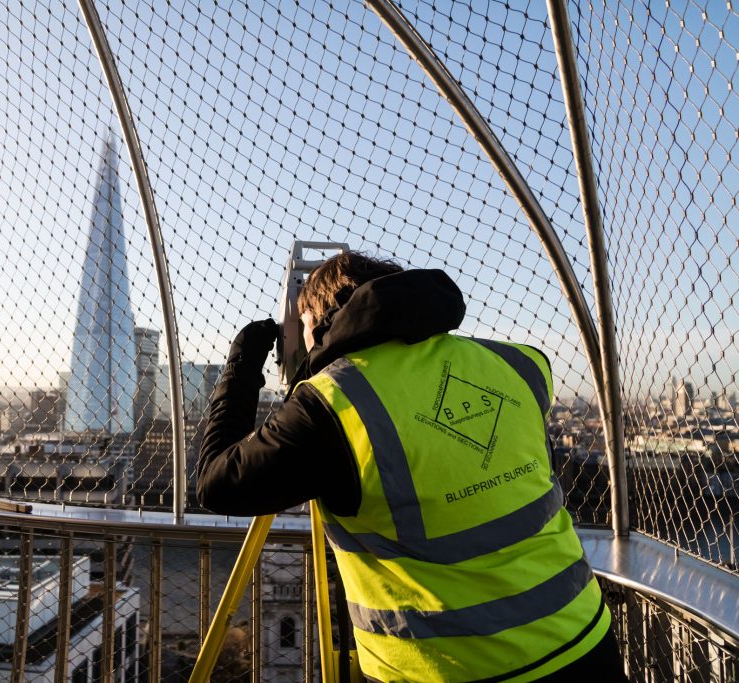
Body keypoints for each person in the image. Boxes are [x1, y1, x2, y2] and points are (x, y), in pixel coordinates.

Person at [197, 252, 626, 682]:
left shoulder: (329, 405)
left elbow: (217, 482)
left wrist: (241, 365)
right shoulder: (518, 362)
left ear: (318, 321)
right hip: (584, 641)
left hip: (448, 670)